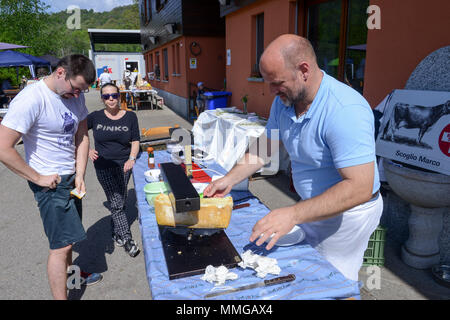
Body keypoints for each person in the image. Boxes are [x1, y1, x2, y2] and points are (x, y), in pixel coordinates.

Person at [203, 34, 383, 281]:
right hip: (311, 207)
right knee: (300, 271)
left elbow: (360, 187)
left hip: (347, 215)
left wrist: (293, 214)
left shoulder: (345, 110)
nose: (271, 91)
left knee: (329, 282)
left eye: (276, 82)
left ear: (304, 70)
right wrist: (229, 179)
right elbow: (265, 147)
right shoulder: (286, 100)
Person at [0, 54, 103, 299]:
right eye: (75, 89)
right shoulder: (31, 99)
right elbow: (3, 147)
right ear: (60, 73)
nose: (77, 95)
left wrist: (80, 174)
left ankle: (73, 276)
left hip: (70, 179)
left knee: (70, 239)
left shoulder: (75, 96)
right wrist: (37, 178)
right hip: (50, 184)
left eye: (83, 91)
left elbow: (82, 136)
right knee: (61, 246)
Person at [87, 82, 140, 258]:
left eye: (114, 95)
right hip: (103, 166)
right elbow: (77, 132)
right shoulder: (95, 117)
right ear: (102, 98)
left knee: (121, 199)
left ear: (119, 96)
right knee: (117, 203)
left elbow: (135, 140)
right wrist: (86, 149)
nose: (111, 99)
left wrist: (132, 158)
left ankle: (116, 228)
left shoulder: (131, 117)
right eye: (106, 96)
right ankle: (126, 238)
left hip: (125, 165)